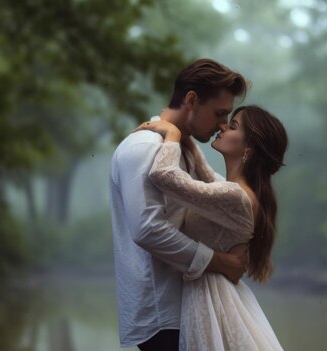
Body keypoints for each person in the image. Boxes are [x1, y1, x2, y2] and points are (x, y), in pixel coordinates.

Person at [109, 59, 249, 350]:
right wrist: (222, 262)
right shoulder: (144, 147)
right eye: (220, 114)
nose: (223, 124)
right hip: (164, 313)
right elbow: (148, 229)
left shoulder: (182, 148)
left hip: (186, 304)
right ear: (191, 100)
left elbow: (219, 198)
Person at [134, 104, 288, 350]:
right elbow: (206, 176)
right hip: (216, 295)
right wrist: (185, 135)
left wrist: (172, 134)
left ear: (248, 148)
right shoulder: (236, 191)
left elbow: (163, 176)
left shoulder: (234, 196)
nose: (223, 126)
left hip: (212, 300)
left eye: (233, 126)